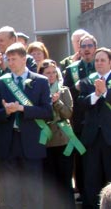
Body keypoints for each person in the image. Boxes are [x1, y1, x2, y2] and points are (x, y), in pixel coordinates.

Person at [0, 43, 52, 208]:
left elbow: (47, 111)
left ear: (24, 59)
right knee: (10, 191)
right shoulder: (0, 82)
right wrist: (7, 111)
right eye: (8, 59)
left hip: (31, 141)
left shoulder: (41, 81)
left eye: (14, 59)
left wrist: (22, 108)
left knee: (33, 189)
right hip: (9, 141)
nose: (10, 62)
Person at [38, 59, 76, 209]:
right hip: (46, 141)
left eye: (54, 72)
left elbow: (68, 113)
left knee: (65, 180)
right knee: (49, 181)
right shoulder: (37, 90)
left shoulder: (64, 90)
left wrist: (57, 102)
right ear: (41, 74)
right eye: (47, 73)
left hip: (63, 141)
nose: (51, 75)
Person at [63, 33, 97, 200]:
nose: (86, 49)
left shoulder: (102, 66)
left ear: (95, 48)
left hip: (100, 120)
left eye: (90, 46)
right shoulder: (72, 69)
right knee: (81, 159)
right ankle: (84, 193)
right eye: (83, 46)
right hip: (79, 120)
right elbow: (67, 93)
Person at [78, 47, 111, 208]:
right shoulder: (86, 81)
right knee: (91, 178)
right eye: (97, 60)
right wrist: (96, 95)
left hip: (109, 137)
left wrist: (105, 92)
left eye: (103, 60)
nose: (99, 63)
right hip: (91, 138)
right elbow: (80, 104)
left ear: (110, 62)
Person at [0, 26, 37, 108]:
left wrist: (5, 70)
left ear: (13, 40)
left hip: (23, 106)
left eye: (1, 41)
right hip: (0, 111)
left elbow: (32, 83)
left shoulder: (27, 59)